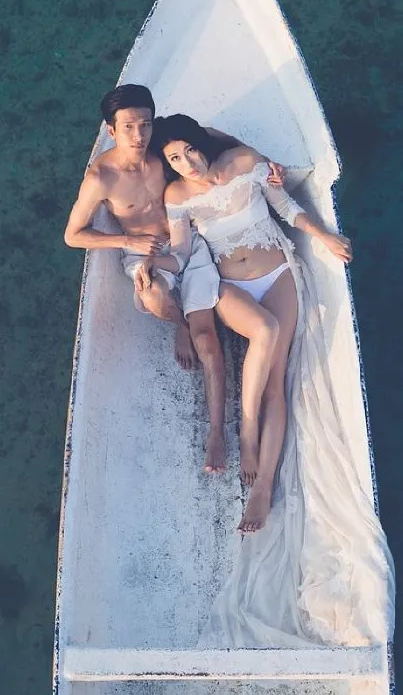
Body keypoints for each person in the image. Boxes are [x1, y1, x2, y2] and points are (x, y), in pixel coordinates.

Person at [147, 114, 352, 534]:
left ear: (202, 143)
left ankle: (263, 487)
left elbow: (287, 209)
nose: (187, 162)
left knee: (276, 382)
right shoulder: (177, 194)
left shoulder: (244, 161)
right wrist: (154, 265)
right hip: (230, 288)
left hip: (277, 274)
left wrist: (324, 236)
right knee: (265, 330)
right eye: (175, 158)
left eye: (189, 150)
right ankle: (246, 431)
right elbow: (183, 251)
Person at [64, 84, 284, 474]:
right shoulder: (101, 177)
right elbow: (73, 235)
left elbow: (210, 138)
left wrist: (266, 162)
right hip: (142, 252)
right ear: (111, 131)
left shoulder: (162, 149)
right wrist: (126, 239)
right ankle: (177, 321)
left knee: (208, 343)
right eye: (128, 127)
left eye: (145, 124)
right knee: (152, 297)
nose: (139, 135)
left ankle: (217, 433)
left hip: (187, 244)